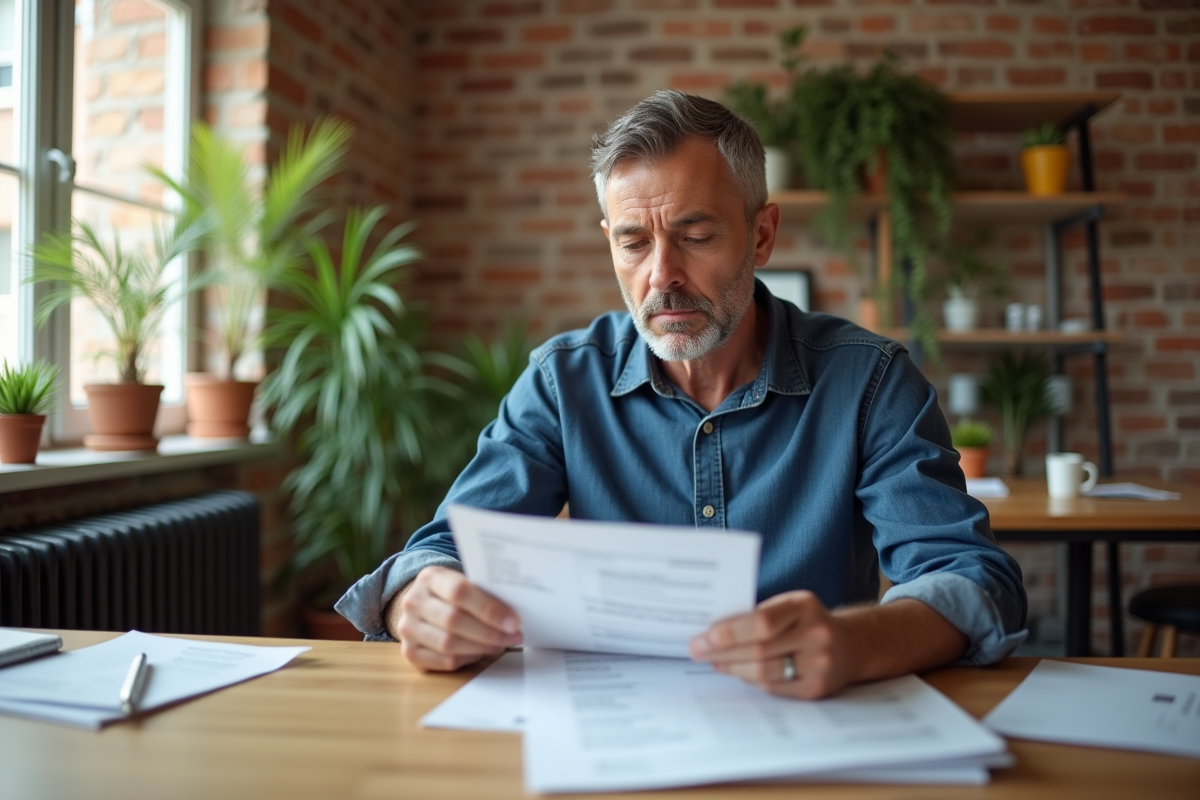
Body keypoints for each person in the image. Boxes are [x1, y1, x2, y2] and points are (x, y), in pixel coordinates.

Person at [336, 90, 1027, 700]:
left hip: (814, 724)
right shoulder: (562, 382)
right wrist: (418, 602)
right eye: (634, 243)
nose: (661, 275)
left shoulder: (870, 381)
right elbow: (442, 549)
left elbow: (971, 577)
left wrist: (857, 642)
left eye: (695, 236)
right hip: (614, 729)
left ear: (762, 234)